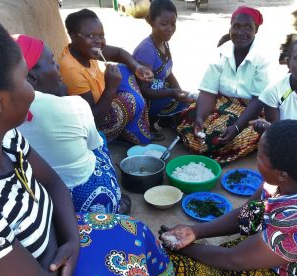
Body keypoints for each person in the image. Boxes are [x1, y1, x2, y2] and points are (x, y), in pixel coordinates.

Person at [0, 20, 175, 276]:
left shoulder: (9, 138)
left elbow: (53, 182)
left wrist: (71, 242)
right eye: (24, 80)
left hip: (61, 238)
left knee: (137, 230)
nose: (33, 94)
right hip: (48, 274)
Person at [160, 120, 297, 276]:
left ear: (282, 174)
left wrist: (182, 248)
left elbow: (233, 260)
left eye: (259, 158)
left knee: (179, 267)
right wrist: (195, 231)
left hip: (291, 274)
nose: (256, 161)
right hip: (272, 249)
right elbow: (248, 212)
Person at [13, 33, 131, 214]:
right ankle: (113, 204)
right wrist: (110, 89)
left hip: (40, 203)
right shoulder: (74, 106)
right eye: (52, 62)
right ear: (31, 77)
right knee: (98, 140)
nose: (58, 65)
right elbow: (94, 144)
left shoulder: (6, 113)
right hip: (86, 198)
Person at [177, 6, 271, 165]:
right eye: (236, 26)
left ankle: (221, 147)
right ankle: (210, 144)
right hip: (219, 103)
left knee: (234, 136)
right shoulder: (221, 52)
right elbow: (208, 91)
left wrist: (236, 127)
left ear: (256, 30)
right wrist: (200, 117)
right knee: (190, 123)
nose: (241, 32)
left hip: (249, 110)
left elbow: (258, 100)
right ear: (230, 27)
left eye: (248, 27)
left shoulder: (262, 58)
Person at [59, 8, 155, 144]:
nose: (99, 41)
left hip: (103, 100)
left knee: (126, 68)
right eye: (90, 36)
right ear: (73, 36)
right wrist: (110, 89)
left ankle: (133, 122)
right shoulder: (71, 70)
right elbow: (91, 121)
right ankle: (133, 132)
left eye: (101, 35)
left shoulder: (84, 50)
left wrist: (137, 67)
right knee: (131, 100)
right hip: (93, 129)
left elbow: (118, 53)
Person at [133, 0, 191, 140]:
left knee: (188, 102)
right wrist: (172, 92)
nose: (170, 28)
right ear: (151, 21)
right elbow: (144, 91)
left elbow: (169, 73)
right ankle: (149, 125)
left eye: (173, 24)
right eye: (164, 24)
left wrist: (179, 91)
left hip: (159, 92)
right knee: (180, 102)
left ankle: (165, 119)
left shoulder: (163, 43)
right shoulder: (146, 51)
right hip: (148, 100)